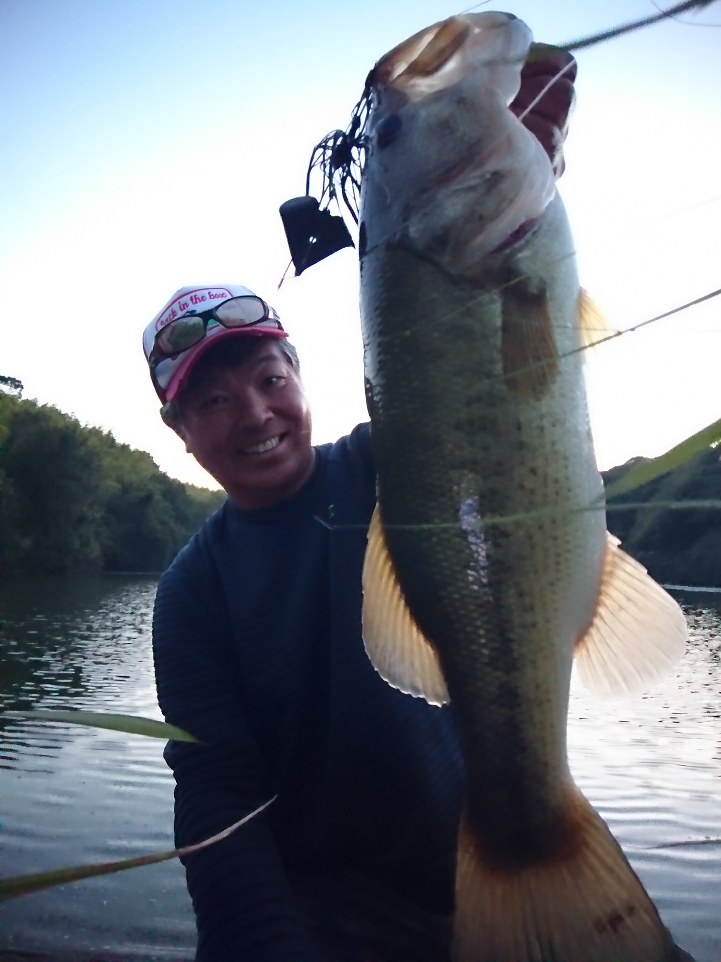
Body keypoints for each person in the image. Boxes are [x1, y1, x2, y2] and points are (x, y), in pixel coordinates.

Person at [143, 47, 577, 962]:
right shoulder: (193, 594)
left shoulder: (395, 464)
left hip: (488, 850)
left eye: (266, 378)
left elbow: (504, 381)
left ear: (299, 377)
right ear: (177, 429)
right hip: (333, 914)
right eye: (212, 403)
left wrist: (527, 168)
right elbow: (217, 794)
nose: (253, 416)